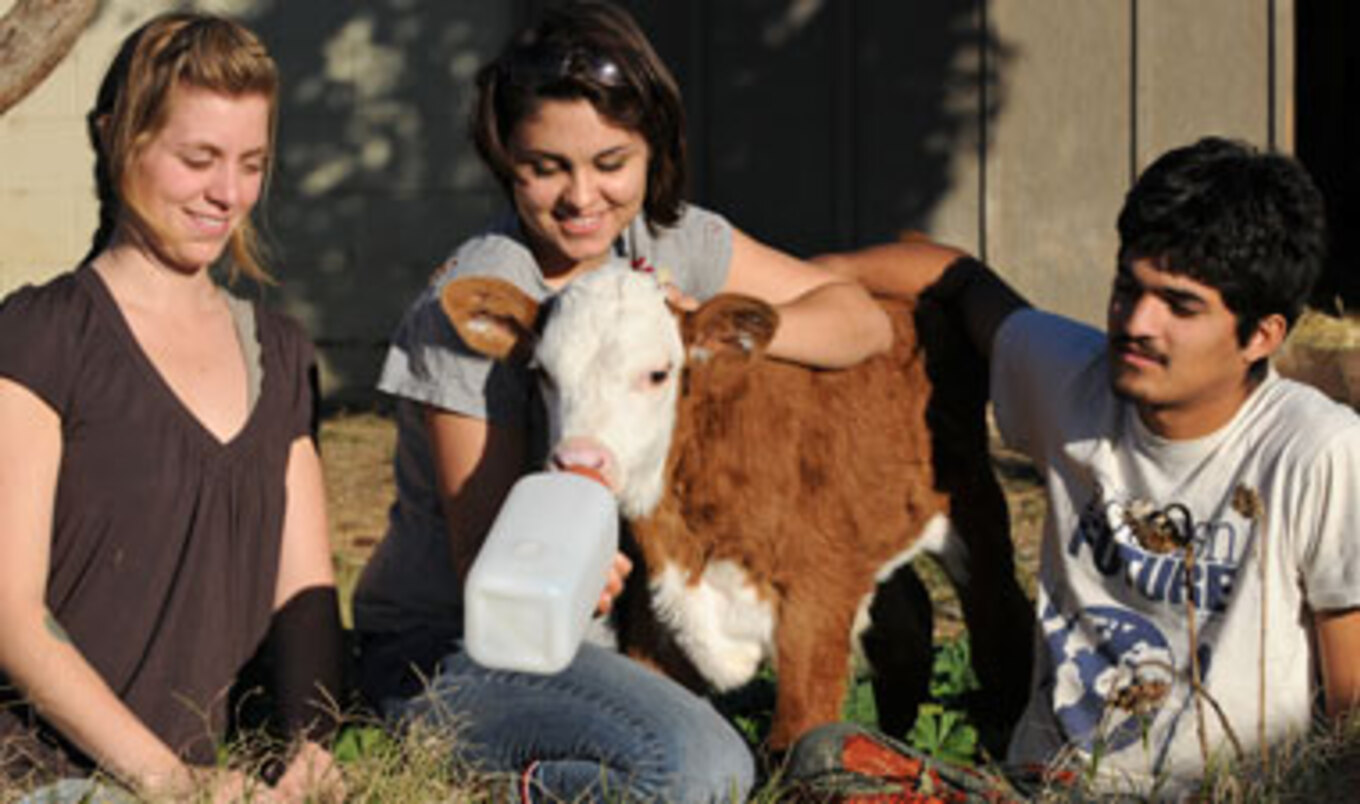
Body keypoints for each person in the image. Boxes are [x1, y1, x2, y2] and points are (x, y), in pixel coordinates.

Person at [352, 1, 891, 800]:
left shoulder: (666, 243)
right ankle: (479, 769)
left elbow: (861, 320)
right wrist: (571, 576)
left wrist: (700, 330)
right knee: (704, 769)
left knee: (704, 747)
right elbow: (488, 572)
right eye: (545, 167)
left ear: (653, 151)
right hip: (460, 644)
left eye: (611, 161)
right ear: (504, 159)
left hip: (610, 625)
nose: (582, 197)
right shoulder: (478, 300)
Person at [800, 136, 1360, 797]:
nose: (1137, 322)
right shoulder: (1073, 381)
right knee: (823, 758)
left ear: (1262, 335)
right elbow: (959, 278)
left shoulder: (1316, 450)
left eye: (1180, 305)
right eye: (1128, 287)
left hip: (1222, 792)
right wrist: (813, 279)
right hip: (1044, 785)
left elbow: (1349, 717)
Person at [0, 13, 344, 803]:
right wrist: (172, 781)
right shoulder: (41, 335)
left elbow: (307, 598)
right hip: (46, 779)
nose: (228, 194)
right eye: (198, 160)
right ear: (116, 137)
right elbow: (11, 615)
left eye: (251, 164)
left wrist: (312, 747)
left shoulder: (282, 354)